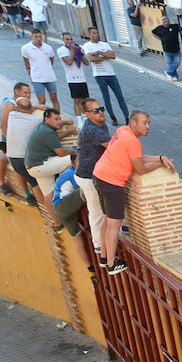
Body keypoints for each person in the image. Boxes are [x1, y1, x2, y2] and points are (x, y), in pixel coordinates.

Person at [91, 111, 175, 275]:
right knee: (114, 224)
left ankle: (103, 257)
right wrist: (160, 164)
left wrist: (159, 157)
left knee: (107, 220)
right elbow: (141, 168)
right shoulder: (133, 140)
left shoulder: (122, 130)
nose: (148, 126)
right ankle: (111, 264)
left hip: (99, 175)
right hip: (112, 182)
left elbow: (138, 156)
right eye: (144, 123)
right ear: (134, 123)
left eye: (148, 123)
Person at [25, 108, 74, 224]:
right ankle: (72, 190)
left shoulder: (44, 127)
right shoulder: (46, 132)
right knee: (72, 160)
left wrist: (64, 122)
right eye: (56, 119)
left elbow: (54, 138)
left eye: (59, 119)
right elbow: (61, 152)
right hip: (41, 165)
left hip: (33, 167)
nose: (58, 122)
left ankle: (57, 223)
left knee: (48, 195)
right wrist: (75, 152)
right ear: (46, 119)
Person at [73, 97, 109, 249]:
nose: (100, 112)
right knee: (96, 210)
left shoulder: (100, 124)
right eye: (95, 110)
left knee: (104, 205)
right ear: (87, 114)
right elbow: (112, 147)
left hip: (94, 174)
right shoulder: (92, 129)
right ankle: (99, 245)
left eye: (101, 109)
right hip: (88, 176)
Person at [51, 158, 92, 274]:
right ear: (73, 163)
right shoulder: (73, 174)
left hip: (60, 210)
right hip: (62, 206)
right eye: (78, 161)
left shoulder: (69, 172)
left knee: (77, 238)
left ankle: (90, 269)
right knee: (87, 189)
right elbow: (85, 186)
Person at [4, 92, 44, 205]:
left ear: (17, 108)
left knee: (34, 183)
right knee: (38, 185)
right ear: (31, 107)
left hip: (14, 160)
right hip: (26, 159)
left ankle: (31, 198)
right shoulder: (36, 121)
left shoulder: (11, 116)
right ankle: (50, 211)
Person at [82, 27, 127, 125]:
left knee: (120, 96)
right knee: (106, 97)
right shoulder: (87, 45)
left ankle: (127, 117)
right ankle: (113, 118)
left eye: (97, 33)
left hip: (111, 74)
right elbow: (91, 59)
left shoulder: (105, 44)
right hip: (99, 75)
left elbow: (113, 56)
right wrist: (105, 56)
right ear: (89, 34)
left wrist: (101, 53)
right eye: (93, 33)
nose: (96, 35)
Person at [21, 30, 60, 110]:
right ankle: (44, 119)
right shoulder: (26, 48)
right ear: (32, 37)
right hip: (37, 78)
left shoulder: (48, 48)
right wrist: (31, 76)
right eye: (36, 36)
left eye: (40, 36)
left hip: (49, 77)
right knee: (42, 101)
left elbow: (51, 61)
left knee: (54, 98)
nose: (38, 39)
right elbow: (27, 64)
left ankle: (57, 117)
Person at [56, 32, 89, 118]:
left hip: (82, 78)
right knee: (77, 101)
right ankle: (79, 120)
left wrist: (79, 52)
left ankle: (85, 118)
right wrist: (73, 51)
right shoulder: (61, 50)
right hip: (72, 79)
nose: (69, 41)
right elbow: (69, 61)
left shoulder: (77, 49)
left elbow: (86, 63)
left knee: (84, 101)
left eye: (71, 39)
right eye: (67, 39)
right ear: (63, 40)